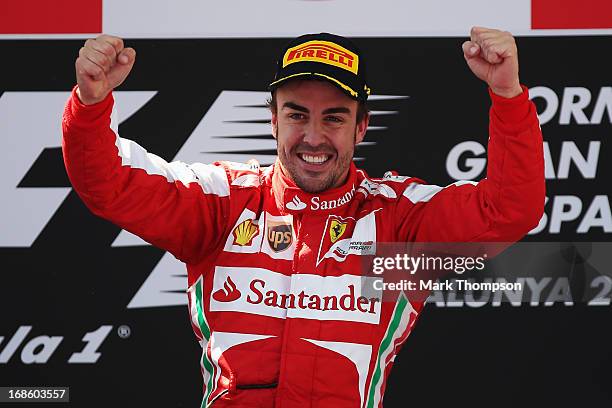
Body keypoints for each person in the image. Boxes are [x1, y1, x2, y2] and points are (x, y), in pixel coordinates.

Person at [63, 28, 545, 407]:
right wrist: (90, 104)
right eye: (297, 115)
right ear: (273, 120)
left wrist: (507, 94)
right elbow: (108, 183)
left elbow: (507, 211)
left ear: (361, 127)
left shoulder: (398, 221)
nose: (313, 137)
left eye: (334, 118)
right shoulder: (223, 202)